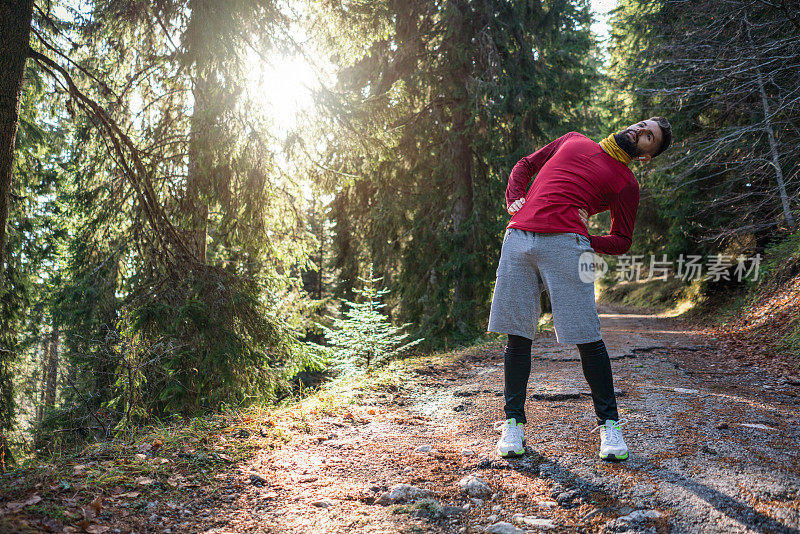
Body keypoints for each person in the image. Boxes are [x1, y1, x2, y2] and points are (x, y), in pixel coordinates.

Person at [487, 118, 672, 461]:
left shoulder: (626, 184)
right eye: (642, 125)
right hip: (518, 238)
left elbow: (622, 240)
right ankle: (513, 422)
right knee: (517, 334)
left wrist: (587, 239)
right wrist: (515, 196)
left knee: (587, 335)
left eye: (649, 138)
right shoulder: (573, 139)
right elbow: (526, 164)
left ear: (647, 155)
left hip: (567, 245)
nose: (640, 132)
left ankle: (610, 427)